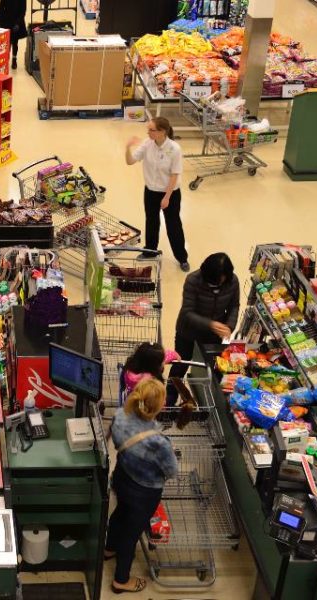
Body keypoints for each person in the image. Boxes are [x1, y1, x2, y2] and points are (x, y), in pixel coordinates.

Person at [106, 379, 178, 594]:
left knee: (119, 513)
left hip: (121, 476)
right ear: (160, 406)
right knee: (131, 534)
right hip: (144, 492)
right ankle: (121, 580)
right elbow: (171, 471)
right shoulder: (158, 442)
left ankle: (109, 548)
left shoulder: (120, 415)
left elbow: (115, 442)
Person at [168, 252, 240, 400]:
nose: (218, 285)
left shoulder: (233, 281)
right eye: (214, 282)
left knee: (208, 366)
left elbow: (234, 306)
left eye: (221, 281)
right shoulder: (193, 280)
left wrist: (229, 326)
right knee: (181, 363)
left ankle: (204, 400)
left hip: (212, 335)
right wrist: (210, 324)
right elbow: (187, 312)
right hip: (188, 330)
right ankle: (170, 396)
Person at [125, 117, 189, 272]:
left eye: (151, 130)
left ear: (162, 132)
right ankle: (150, 251)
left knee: (173, 225)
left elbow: (174, 174)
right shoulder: (147, 144)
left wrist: (167, 197)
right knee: (151, 221)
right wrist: (127, 147)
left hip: (170, 193)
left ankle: (182, 258)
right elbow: (130, 161)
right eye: (148, 129)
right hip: (150, 191)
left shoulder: (174, 149)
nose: (148, 132)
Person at [0, 0, 28, 70]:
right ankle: (5, 60)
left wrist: (17, 23)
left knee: (15, 42)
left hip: (16, 22)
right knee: (7, 42)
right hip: (6, 21)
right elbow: (0, 8)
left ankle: (14, 59)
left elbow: (23, 11)